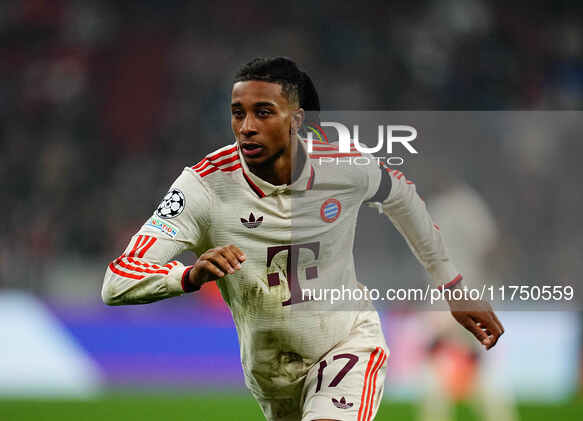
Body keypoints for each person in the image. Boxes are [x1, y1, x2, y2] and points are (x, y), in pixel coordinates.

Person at [101, 56, 504, 421]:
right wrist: (187, 277)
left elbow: (403, 197)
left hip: (346, 345)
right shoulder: (202, 188)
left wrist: (452, 285)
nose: (246, 127)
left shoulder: (344, 166)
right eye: (238, 113)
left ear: (295, 119)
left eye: (263, 113)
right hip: (270, 374)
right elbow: (116, 283)